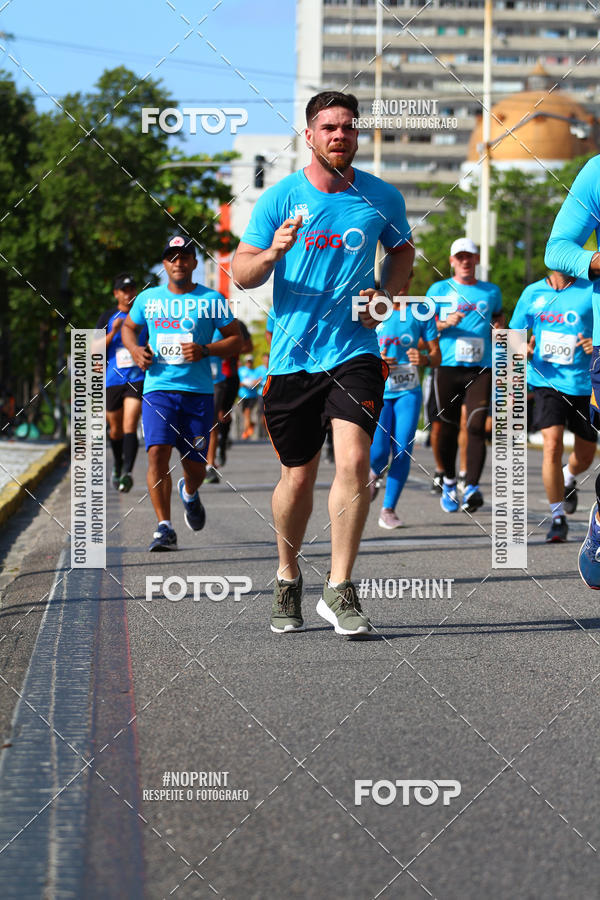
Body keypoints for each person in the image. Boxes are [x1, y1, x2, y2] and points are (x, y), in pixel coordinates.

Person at [231, 89, 414, 635]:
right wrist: (273, 252)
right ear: (309, 135)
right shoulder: (280, 199)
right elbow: (242, 272)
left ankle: (340, 587)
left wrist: (386, 297)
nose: (340, 135)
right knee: (297, 477)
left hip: (355, 351)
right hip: (292, 357)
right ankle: (287, 576)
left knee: (354, 462)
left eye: (349, 127)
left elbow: (402, 250)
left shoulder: (381, 197)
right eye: (329, 127)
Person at [121, 235, 242, 551]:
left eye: (184, 256)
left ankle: (189, 492)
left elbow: (236, 340)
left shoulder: (211, 299)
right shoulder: (148, 299)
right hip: (158, 389)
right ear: (164, 264)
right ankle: (165, 527)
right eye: (172, 257)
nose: (178, 262)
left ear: (194, 262)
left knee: (196, 468)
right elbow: (128, 328)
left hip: (197, 393)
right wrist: (135, 350)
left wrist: (205, 349)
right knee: (157, 453)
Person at [544, 157, 600, 581]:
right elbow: (558, 248)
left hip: (578, 375)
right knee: (552, 444)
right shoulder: (597, 171)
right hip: (548, 378)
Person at [510, 271, 595, 542]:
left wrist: (596, 343)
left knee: (585, 456)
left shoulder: (591, 289)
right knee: (552, 444)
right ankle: (557, 518)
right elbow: (512, 334)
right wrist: (521, 349)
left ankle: (568, 475)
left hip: (584, 384)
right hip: (545, 381)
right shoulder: (532, 293)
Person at [426, 237, 504, 513]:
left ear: (477, 259)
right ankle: (449, 481)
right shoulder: (438, 290)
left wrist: (499, 330)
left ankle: (471, 486)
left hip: (480, 367)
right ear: (452, 261)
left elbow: (498, 318)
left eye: (469, 256)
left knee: (476, 425)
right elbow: (422, 326)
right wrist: (443, 323)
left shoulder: (491, 291)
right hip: (447, 366)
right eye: (460, 257)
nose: (465, 261)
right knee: (446, 427)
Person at [369, 276, 440, 528]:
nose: (400, 282)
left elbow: (436, 355)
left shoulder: (421, 312)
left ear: (410, 277)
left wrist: (424, 359)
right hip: (378, 390)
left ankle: (388, 509)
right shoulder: (371, 309)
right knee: (378, 452)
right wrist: (377, 359)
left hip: (408, 390)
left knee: (402, 450)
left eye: (405, 275)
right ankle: (374, 472)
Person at [95, 274, 146, 492]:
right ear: (116, 293)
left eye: (132, 289)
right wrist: (114, 332)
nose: (128, 294)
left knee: (130, 424)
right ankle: (117, 463)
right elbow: (94, 349)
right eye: (124, 290)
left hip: (137, 377)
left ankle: (127, 472)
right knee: (115, 429)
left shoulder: (143, 316)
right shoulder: (107, 317)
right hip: (113, 379)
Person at [238, 354, 258, 439]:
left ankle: (245, 432)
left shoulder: (255, 371)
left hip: (252, 395)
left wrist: (253, 383)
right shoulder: (241, 370)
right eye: (248, 361)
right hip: (242, 395)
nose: (249, 363)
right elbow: (237, 381)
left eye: (250, 361)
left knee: (247, 413)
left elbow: (258, 381)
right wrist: (243, 384)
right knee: (245, 414)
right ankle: (251, 425)